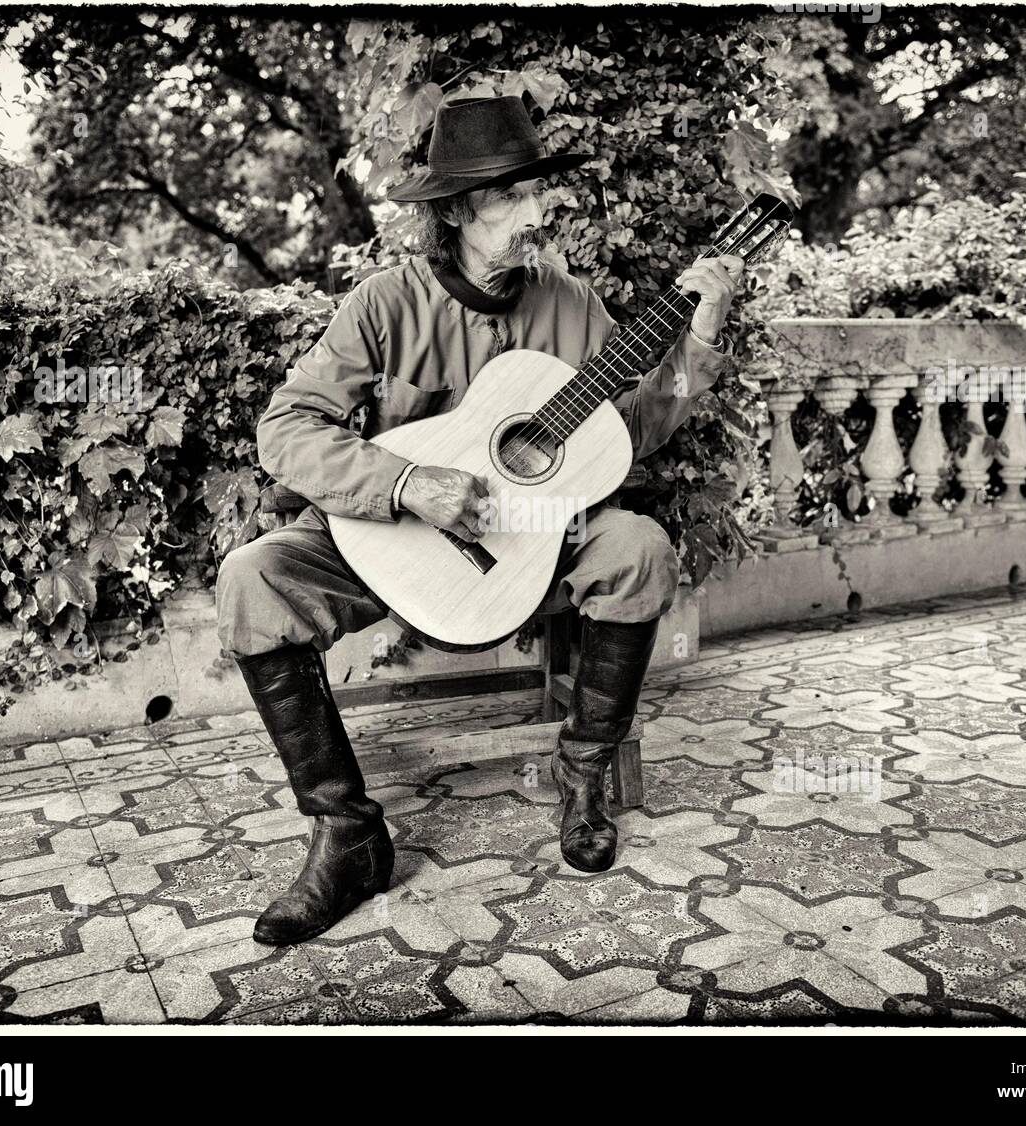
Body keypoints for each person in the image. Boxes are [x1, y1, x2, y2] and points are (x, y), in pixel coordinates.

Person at [216, 95, 746, 945]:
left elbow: (629, 434)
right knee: (252, 578)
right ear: (457, 211)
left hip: (536, 546)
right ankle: (347, 836)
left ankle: (581, 778)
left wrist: (701, 337)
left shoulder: (572, 306)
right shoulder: (385, 304)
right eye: (513, 196)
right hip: (392, 544)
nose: (540, 213)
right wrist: (403, 481)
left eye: (539, 192)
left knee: (640, 548)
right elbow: (285, 429)